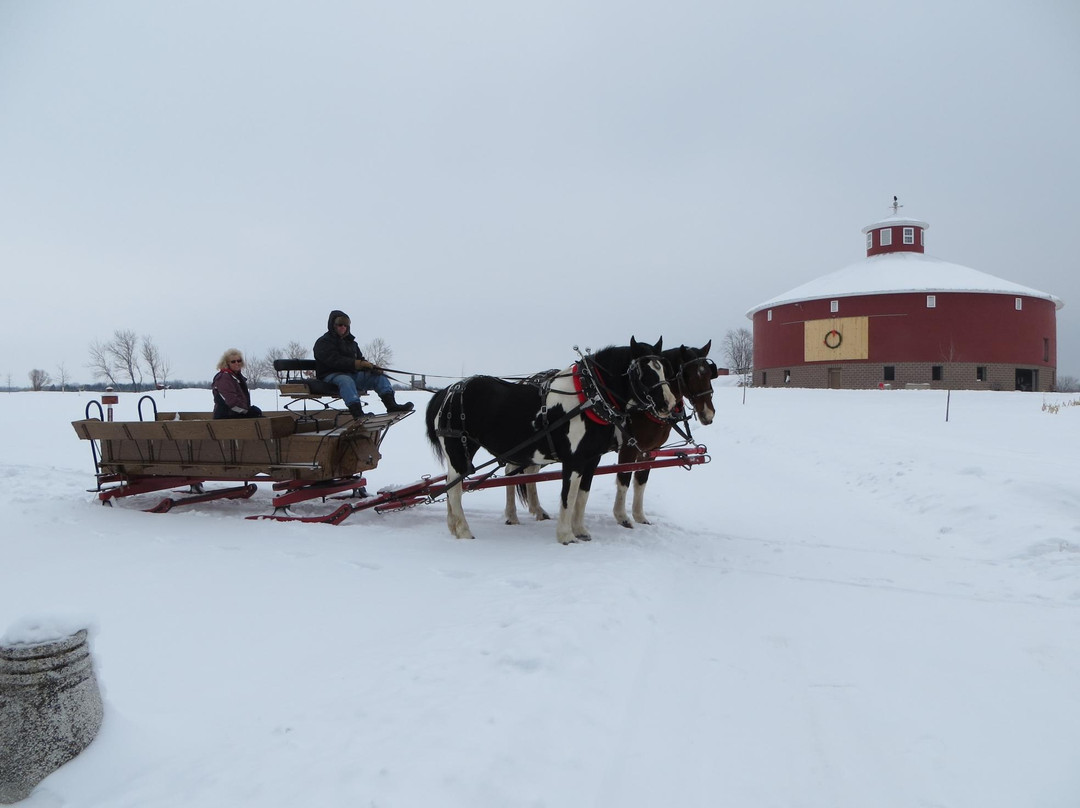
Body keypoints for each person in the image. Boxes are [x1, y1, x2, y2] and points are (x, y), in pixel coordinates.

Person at [313, 310, 414, 418]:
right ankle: (357, 413)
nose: (343, 327)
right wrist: (356, 364)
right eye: (340, 325)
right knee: (346, 381)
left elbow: (360, 360)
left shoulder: (352, 343)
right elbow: (334, 360)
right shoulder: (323, 342)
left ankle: (391, 405)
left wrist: (371, 367)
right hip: (330, 375)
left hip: (351, 374)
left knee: (378, 377)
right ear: (333, 325)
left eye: (345, 325)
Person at [211, 349, 263, 419]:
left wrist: (248, 410)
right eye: (233, 361)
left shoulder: (237, 377)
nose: (237, 363)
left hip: (238, 415)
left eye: (239, 361)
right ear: (227, 363)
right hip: (226, 418)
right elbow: (231, 402)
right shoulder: (224, 378)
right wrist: (248, 411)